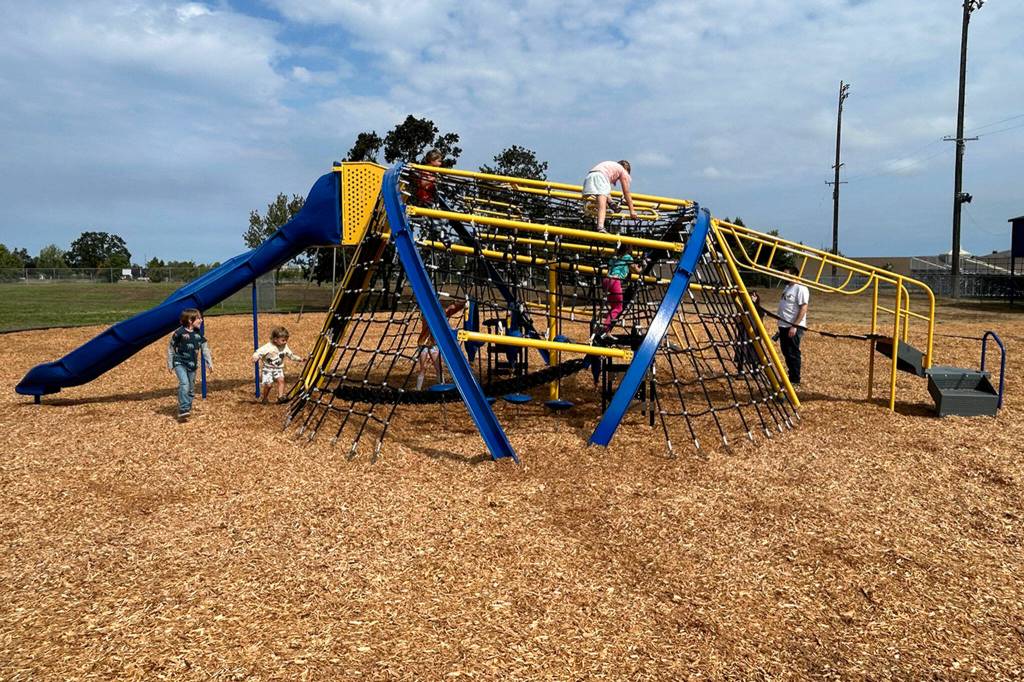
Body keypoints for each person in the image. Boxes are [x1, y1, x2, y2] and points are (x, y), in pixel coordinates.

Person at [167, 308, 213, 421]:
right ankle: (183, 409)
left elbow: (205, 349)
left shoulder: (198, 335)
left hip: (192, 365)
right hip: (180, 362)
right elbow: (171, 348)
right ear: (190, 320)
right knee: (184, 384)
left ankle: (187, 409)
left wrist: (209, 362)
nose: (201, 320)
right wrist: (170, 363)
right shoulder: (179, 333)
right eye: (198, 318)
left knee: (191, 389)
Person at [414, 299, 465, 390]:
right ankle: (418, 389)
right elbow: (449, 310)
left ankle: (442, 385)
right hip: (423, 344)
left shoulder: (439, 315)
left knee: (438, 367)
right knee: (423, 368)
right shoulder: (426, 316)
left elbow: (451, 309)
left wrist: (463, 303)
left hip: (433, 344)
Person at [582, 160, 637, 232]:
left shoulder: (611, 167)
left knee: (604, 193)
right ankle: (600, 226)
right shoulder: (623, 171)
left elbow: (606, 189)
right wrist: (632, 211)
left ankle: (611, 203)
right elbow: (626, 192)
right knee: (602, 205)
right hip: (600, 177)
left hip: (589, 177)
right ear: (626, 169)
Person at [776, 266, 809, 386]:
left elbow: (804, 307)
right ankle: (791, 377)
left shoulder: (800, 288)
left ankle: (795, 379)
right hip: (784, 325)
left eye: (786, 274)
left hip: (794, 326)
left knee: (793, 352)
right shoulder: (787, 287)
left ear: (794, 275)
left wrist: (794, 326)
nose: (783, 276)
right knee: (786, 352)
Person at [253, 326, 304, 404]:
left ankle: (280, 397)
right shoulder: (268, 347)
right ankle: (265, 398)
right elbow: (258, 352)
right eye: (283, 340)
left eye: (286, 340)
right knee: (269, 385)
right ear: (275, 339)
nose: (285, 342)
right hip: (268, 369)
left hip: (278, 368)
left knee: (281, 381)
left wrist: (299, 359)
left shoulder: (284, 347)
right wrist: (255, 357)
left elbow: (291, 355)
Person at [601, 243, 641, 336]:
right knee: (618, 308)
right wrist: (643, 264)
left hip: (606, 280)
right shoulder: (628, 257)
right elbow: (637, 270)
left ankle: (606, 319)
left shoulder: (615, 256)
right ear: (628, 249)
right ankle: (606, 328)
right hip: (615, 281)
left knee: (614, 306)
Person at [735, 290, 766, 371]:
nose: (753, 297)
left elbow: (761, 322)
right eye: (751, 295)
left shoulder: (759, 308)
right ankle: (740, 370)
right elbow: (738, 319)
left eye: (755, 295)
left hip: (755, 331)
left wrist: (760, 333)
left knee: (755, 350)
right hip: (745, 331)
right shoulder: (744, 306)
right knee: (742, 350)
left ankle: (755, 370)